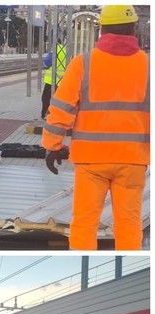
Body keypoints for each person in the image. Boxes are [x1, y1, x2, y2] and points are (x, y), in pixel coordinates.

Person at [42, 5, 148, 250]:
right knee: (129, 223)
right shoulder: (148, 66)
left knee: (84, 222)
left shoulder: (84, 64)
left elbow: (61, 109)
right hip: (133, 160)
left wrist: (52, 146)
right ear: (134, 29)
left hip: (91, 161)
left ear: (102, 30)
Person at [41, 41, 66, 119]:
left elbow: (46, 63)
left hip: (51, 80)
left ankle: (46, 114)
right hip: (62, 81)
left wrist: (45, 67)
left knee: (46, 98)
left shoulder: (55, 50)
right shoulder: (65, 50)